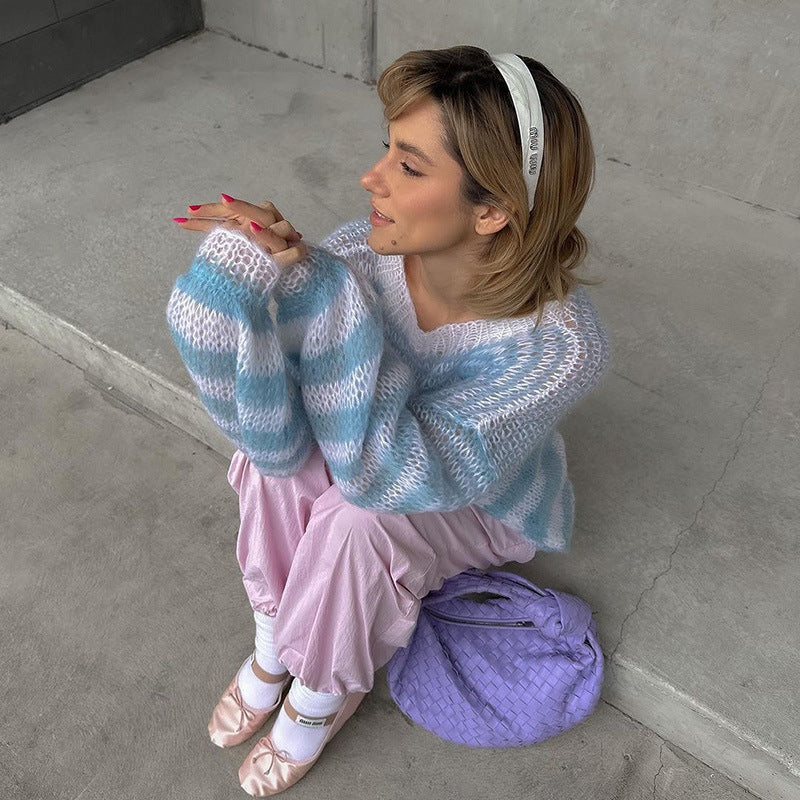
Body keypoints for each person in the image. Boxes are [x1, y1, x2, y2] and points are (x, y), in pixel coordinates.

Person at [168, 45, 610, 796]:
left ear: (493, 209)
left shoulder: (556, 349)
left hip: (474, 502)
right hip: (370, 448)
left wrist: (322, 295)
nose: (371, 178)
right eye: (387, 148)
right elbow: (281, 420)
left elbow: (399, 478)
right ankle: (276, 641)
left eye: (409, 165)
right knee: (272, 466)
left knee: (355, 523)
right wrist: (244, 295)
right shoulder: (357, 254)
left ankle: (318, 697)